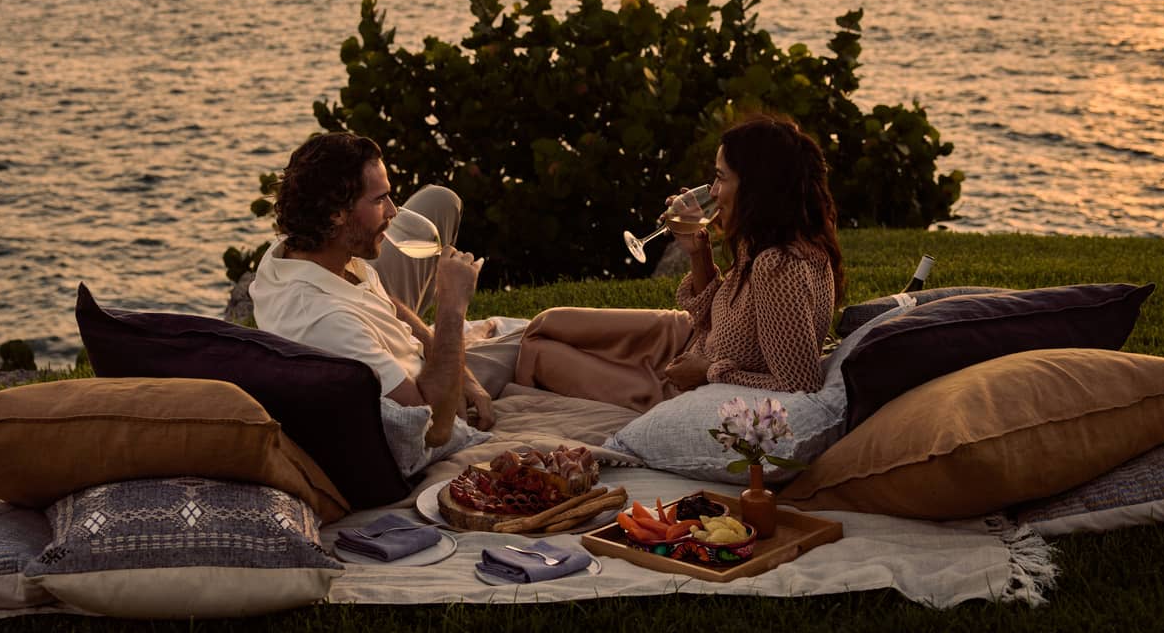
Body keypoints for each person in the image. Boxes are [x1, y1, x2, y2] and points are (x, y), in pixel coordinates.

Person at [514, 114, 845, 408]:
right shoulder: (763, 238)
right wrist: (697, 250)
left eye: (721, 178)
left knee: (537, 353)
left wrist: (707, 373)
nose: (712, 191)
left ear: (757, 188)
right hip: (688, 339)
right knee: (547, 323)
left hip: (684, 389)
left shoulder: (780, 266)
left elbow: (800, 387)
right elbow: (717, 317)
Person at [250, 132, 520, 444]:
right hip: (429, 392)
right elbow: (434, 429)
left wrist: (465, 375)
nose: (393, 212)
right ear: (336, 213)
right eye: (379, 200)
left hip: (421, 362)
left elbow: (383, 301)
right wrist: (451, 307)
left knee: (541, 337)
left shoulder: (301, 251)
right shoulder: (326, 322)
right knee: (539, 342)